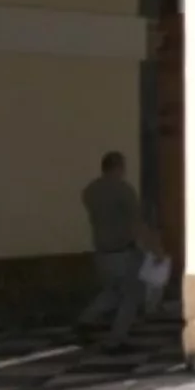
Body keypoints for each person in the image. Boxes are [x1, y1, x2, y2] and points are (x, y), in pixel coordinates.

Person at [77, 151, 153, 353]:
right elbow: (136, 221)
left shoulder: (91, 190)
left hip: (101, 252)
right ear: (119, 167)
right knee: (131, 295)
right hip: (122, 252)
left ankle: (85, 319)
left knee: (112, 291)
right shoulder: (123, 189)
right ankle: (116, 340)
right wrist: (153, 247)